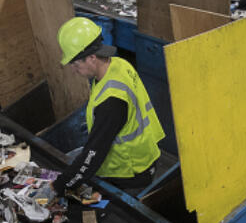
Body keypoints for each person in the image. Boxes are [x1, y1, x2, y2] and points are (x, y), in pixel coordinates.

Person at [52, 17, 164, 196]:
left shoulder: (111, 102)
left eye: (75, 64)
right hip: (146, 155)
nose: (73, 70)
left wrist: (60, 185)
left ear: (91, 57)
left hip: (130, 172)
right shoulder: (119, 64)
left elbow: (93, 155)